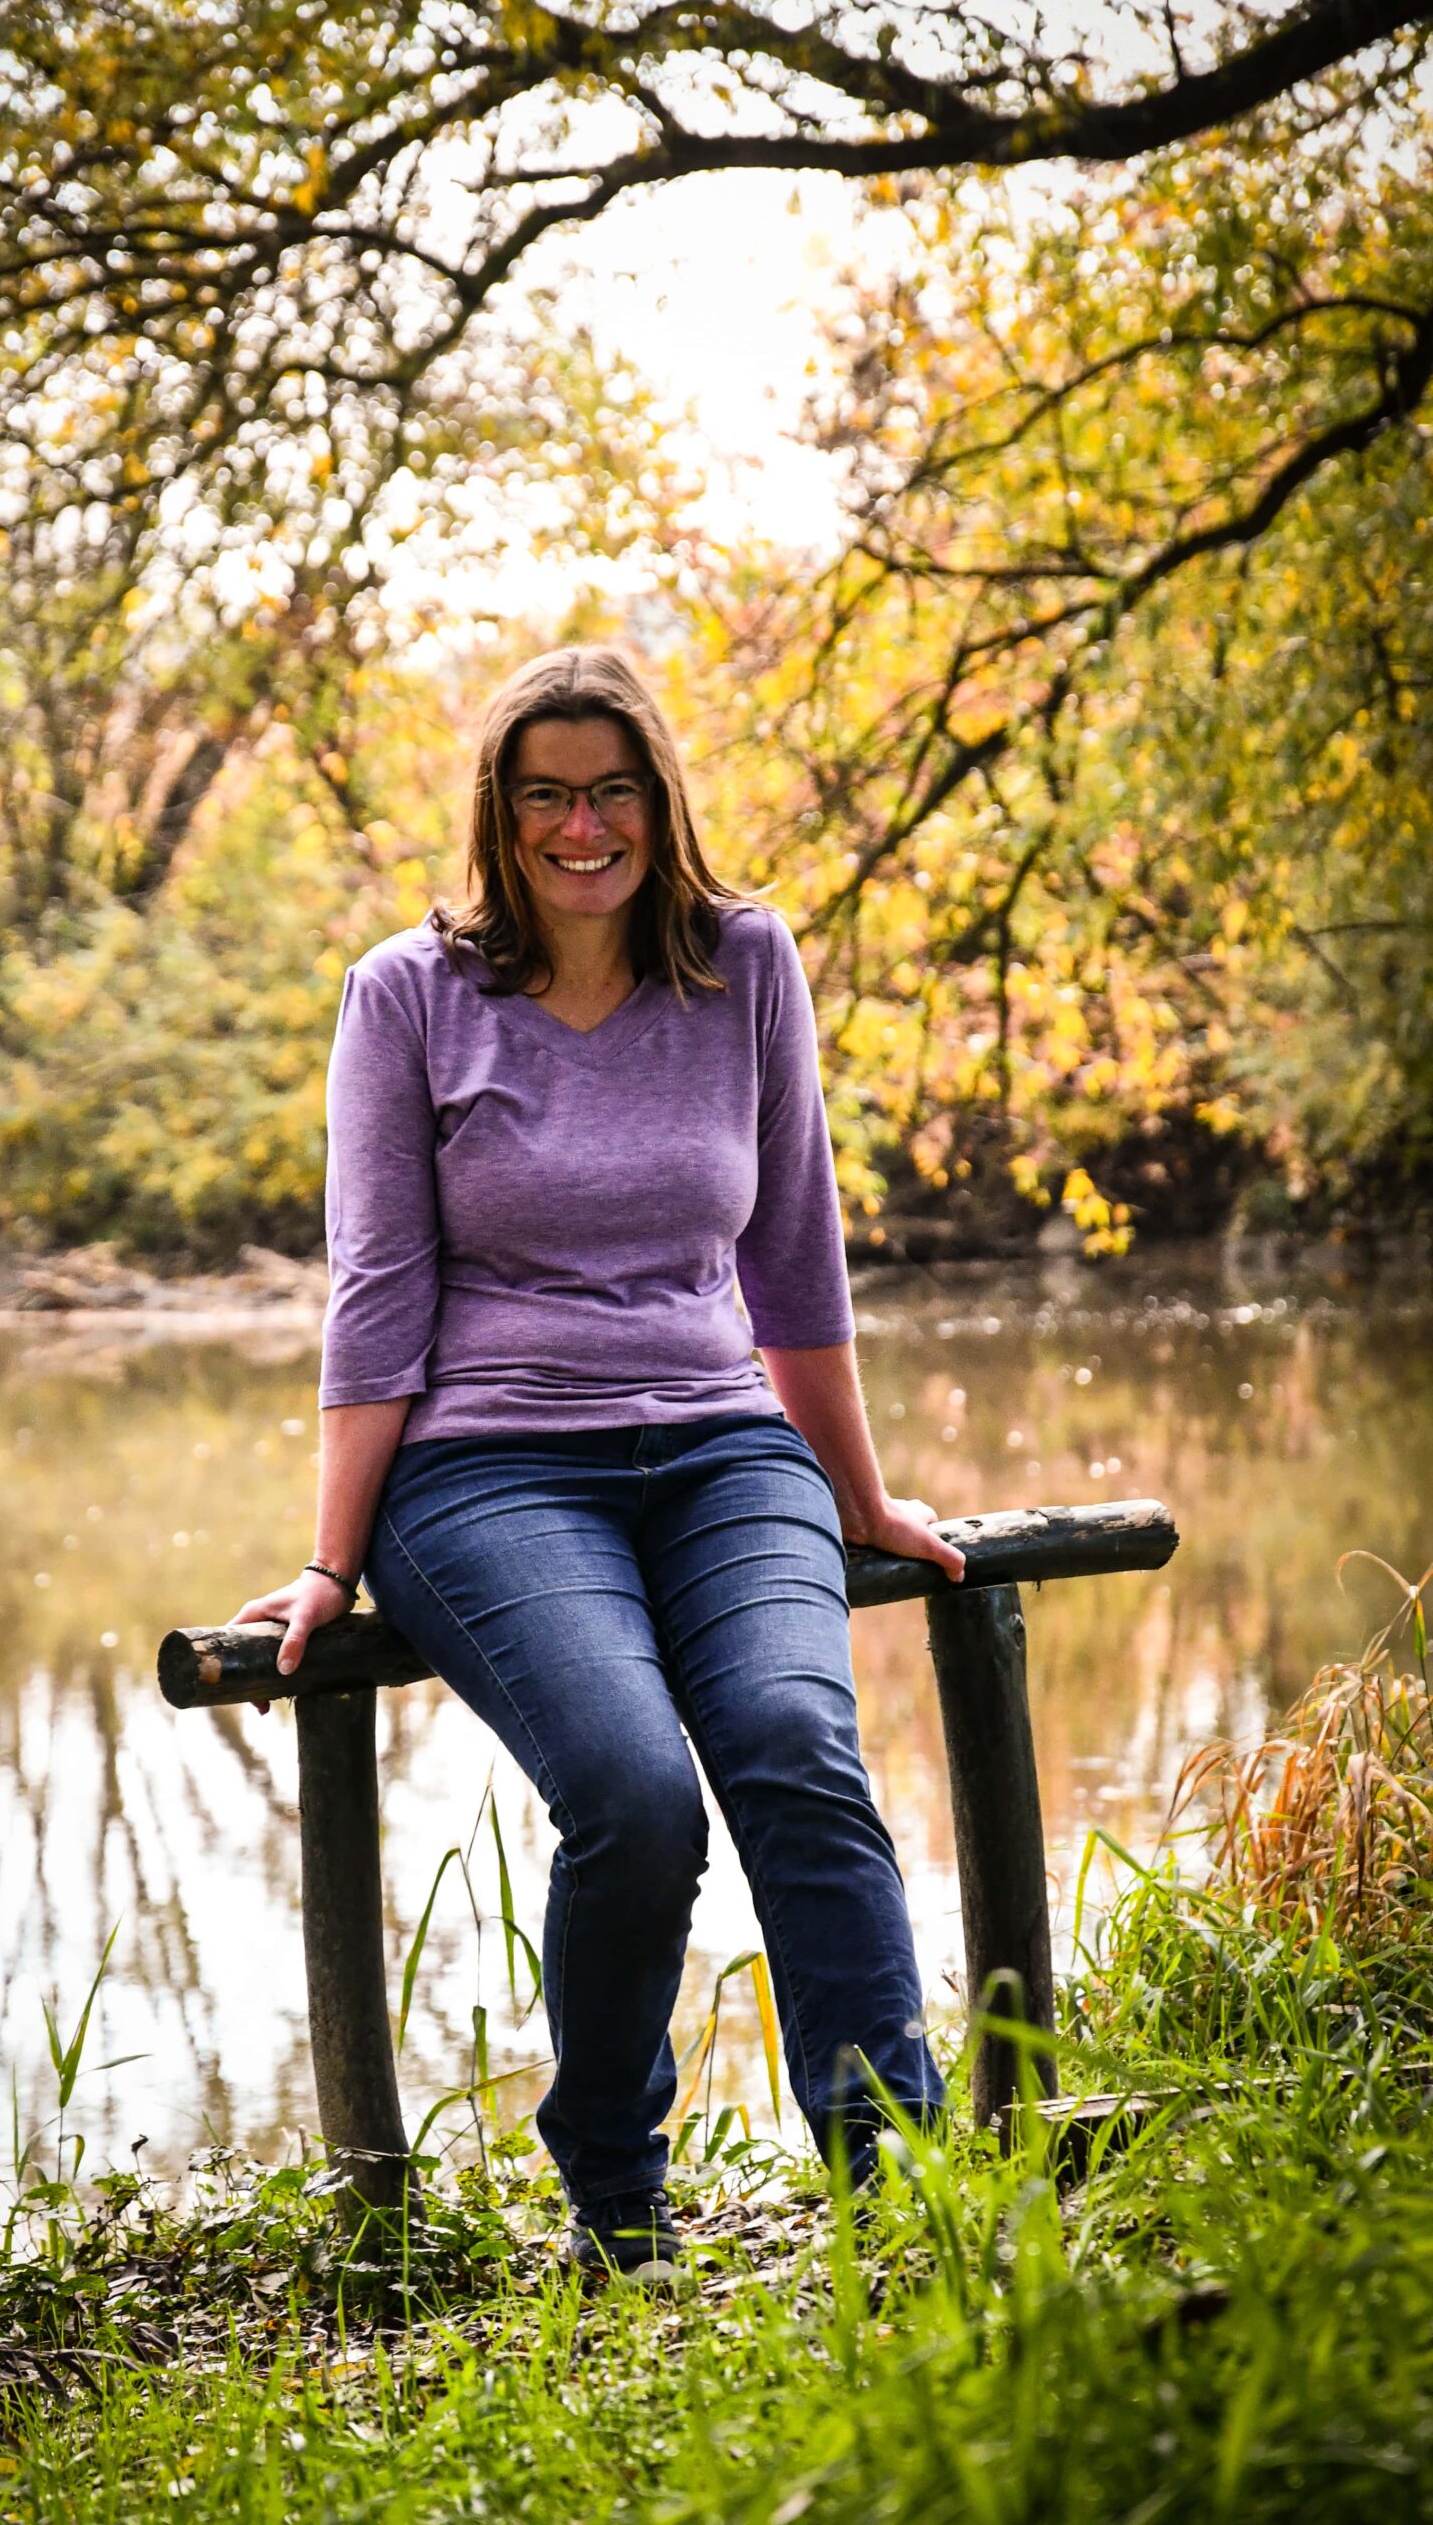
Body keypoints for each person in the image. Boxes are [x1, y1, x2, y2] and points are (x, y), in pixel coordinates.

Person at [231, 645, 964, 2283]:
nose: (583, 826)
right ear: (499, 812)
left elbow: (796, 1260)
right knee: (633, 1795)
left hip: (721, 1448)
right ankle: (619, 2201)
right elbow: (377, 1292)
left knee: (795, 1747)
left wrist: (859, 1497)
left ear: (658, 801)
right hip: (488, 1470)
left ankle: (899, 2191)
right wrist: (334, 1561)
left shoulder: (745, 963)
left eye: (613, 789)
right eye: (547, 794)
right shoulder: (408, 994)